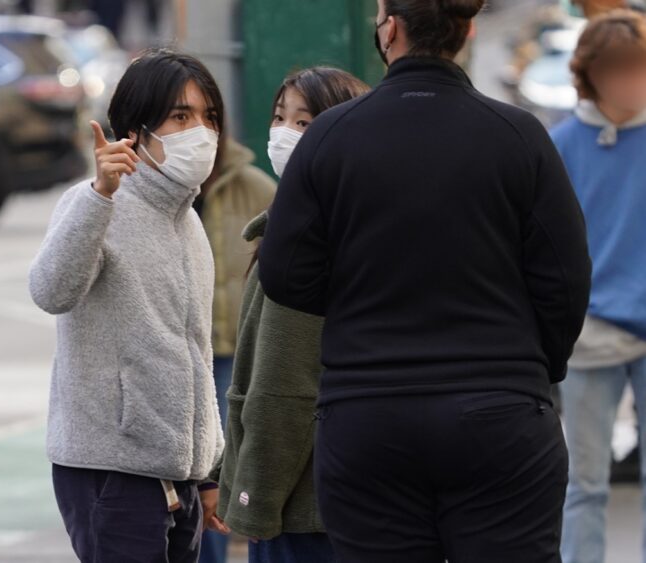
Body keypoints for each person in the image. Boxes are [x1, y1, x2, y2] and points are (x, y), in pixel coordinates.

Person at [258, 0, 593, 561]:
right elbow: (565, 278)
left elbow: (286, 275)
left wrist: (352, 309)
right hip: (500, 410)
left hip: (367, 413)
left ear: (389, 29)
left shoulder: (330, 137)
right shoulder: (518, 134)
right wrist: (533, 370)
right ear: (466, 31)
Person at [29, 49, 228, 562]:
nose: (200, 132)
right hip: (111, 470)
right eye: (180, 116)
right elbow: (51, 291)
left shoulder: (187, 220)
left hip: (177, 475)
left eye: (209, 118)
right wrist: (101, 195)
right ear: (136, 130)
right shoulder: (94, 202)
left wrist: (207, 473)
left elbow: (195, 353)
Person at [211, 67, 370, 563]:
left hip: (303, 505)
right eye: (280, 117)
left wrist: (252, 502)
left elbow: (284, 388)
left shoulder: (306, 236)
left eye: (304, 123)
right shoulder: (364, 218)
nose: (283, 134)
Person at [550, 10, 646, 563]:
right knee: (585, 482)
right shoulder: (562, 145)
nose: (633, 84)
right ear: (592, 75)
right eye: (621, 72)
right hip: (589, 333)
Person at [195, 134, 277, 563]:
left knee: (221, 473)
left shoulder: (255, 186)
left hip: (232, 351)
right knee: (192, 478)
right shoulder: (164, 188)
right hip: (186, 353)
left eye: (206, 117)